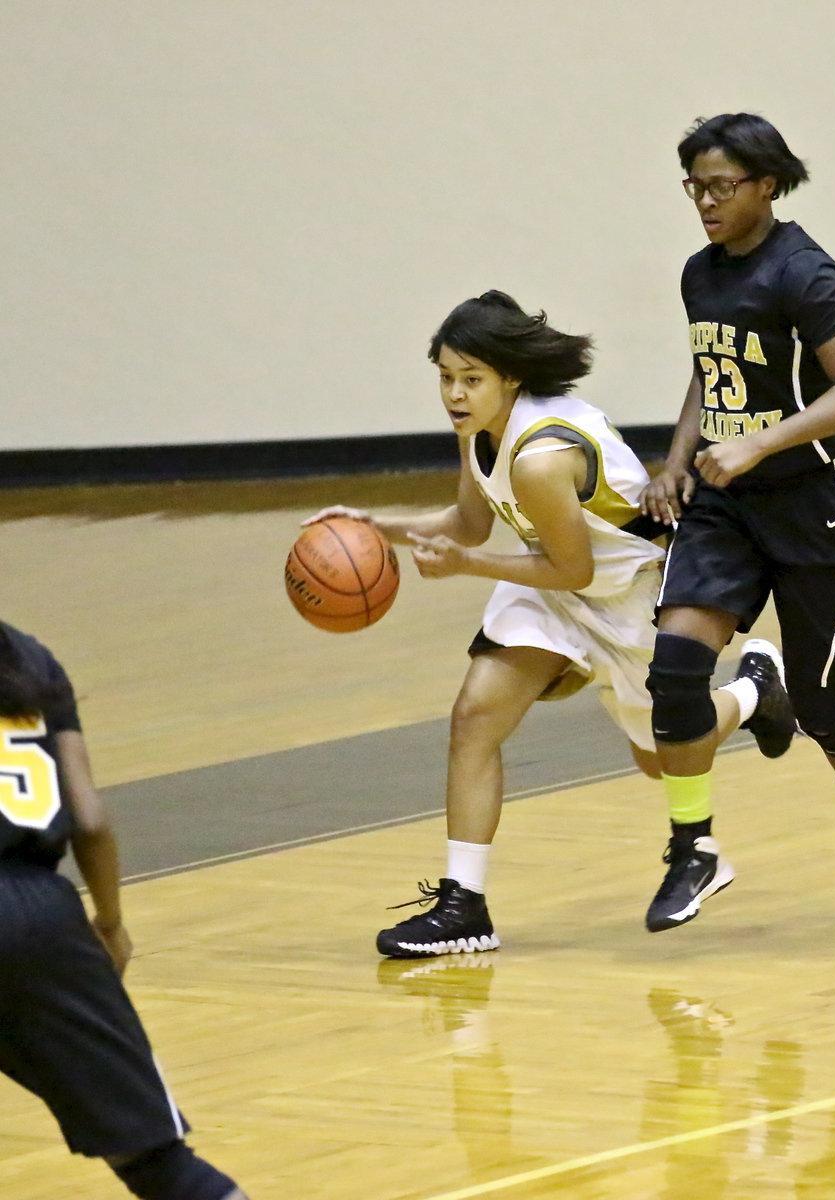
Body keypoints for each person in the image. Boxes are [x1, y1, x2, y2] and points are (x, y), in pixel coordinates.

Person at [304, 290, 794, 957]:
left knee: (661, 758)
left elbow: (572, 567)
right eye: (446, 376)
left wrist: (468, 565)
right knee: (475, 716)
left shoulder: (541, 455)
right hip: (555, 586)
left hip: (629, 593)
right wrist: (371, 527)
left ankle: (754, 690)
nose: (454, 392)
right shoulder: (480, 430)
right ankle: (463, 907)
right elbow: (470, 524)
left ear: (511, 377)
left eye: (470, 378)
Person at [639, 112, 835, 930]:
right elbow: (710, 370)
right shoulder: (700, 271)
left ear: (766, 183)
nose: (705, 202)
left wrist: (758, 443)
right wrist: (678, 458)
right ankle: (695, 849)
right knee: (676, 669)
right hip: (727, 502)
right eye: (694, 187)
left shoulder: (804, 272)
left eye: (721, 186)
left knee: (827, 709)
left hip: (818, 506)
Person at [0, 621, 248, 1200]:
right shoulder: (25, 656)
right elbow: (90, 818)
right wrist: (109, 923)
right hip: (40, 922)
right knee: (155, 1160)